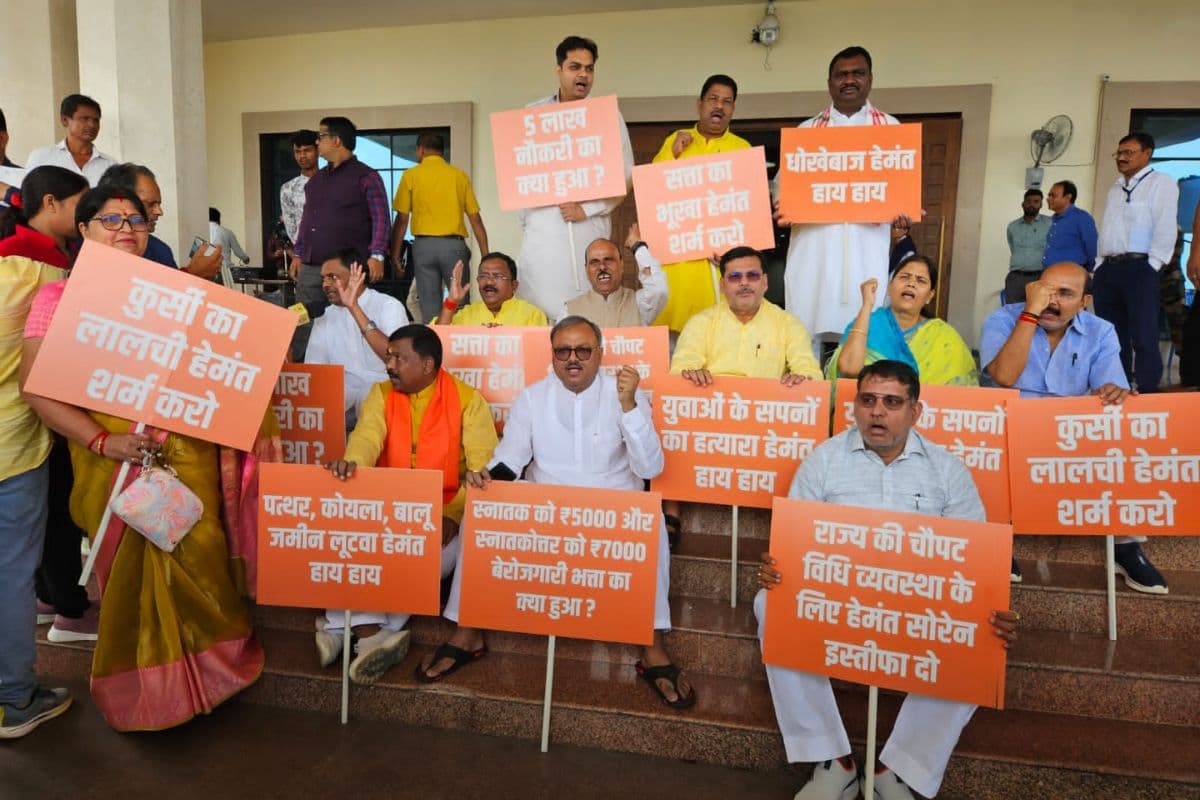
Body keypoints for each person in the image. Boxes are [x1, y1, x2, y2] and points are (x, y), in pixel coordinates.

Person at [19, 185, 266, 730]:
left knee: (200, 558)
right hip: (108, 462)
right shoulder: (56, 301)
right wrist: (105, 442)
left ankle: (215, 670)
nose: (127, 228)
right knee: (127, 579)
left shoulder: (177, 295)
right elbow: (38, 389)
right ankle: (150, 694)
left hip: (184, 456)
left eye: (136, 220)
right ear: (81, 230)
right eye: (110, 219)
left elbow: (221, 367)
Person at [755, 360, 1020, 800]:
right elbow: (794, 547)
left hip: (919, 606)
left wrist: (991, 605)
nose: (878, 412)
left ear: (915, 412)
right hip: (838, 598)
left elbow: (971, 563)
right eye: (868, 400)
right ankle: (831, 759)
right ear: (854, 407)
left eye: (892, 402)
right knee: (770, 603)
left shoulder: (947, 470)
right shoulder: (822, 462)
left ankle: (898, 769)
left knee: (985, 635)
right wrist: (777, 567)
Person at [431, 317, 696, 707]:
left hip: (610, 505)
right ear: (552, 355)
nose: (573, 359)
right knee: (481, 508)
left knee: (651, 523)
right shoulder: (533, 396)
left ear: (600, 354)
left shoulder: (626, 394)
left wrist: (628, 407)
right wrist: (488, 476)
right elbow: (512, 456)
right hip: (548, 505)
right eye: (563, 351)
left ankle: (651, 645)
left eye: (583, 350)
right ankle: (467, 631)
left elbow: (650, 469)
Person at [321, 324, 498, 685]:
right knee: (352, 538)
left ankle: (342, 625)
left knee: (421, 557)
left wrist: (450, 515)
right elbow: (366, 437)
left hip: (444, 514)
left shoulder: (468, 400)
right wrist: (352, 465)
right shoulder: (380, 393)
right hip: (387, 511)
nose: (389, 364)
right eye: (389, 356)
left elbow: (483, 470)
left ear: (428, 364)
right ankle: (371, 635)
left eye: (399, 357)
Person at [979, 261, 1168, 593]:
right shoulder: (1003, 319)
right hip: (1010, 429)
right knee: (983, 444)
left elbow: (1110, 389)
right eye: (1046, 290)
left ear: (1085, 302)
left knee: (1124, 433)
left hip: (1069, 434)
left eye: (1065, 294)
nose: (1052, 301)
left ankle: (1124, 544)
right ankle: (996, 539)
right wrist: (1029, 315)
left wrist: (1113, 390)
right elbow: (1005, 377)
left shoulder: (1100, 330)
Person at [0, 172, 85, 739]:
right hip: (15, 442)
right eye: (82, 211)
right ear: (49, 205)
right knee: (11, 573)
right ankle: (13, 699)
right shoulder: (49, 272)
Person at [666, 245, 821, 545]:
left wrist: (799, 378)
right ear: (723, 285)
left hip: (765, 427)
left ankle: (789, 532)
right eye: (735, 277)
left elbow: (811, 373)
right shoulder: (702, 322)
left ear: (765, 281)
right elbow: (680, 371)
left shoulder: (787, 323)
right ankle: (672, 514)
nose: (744, 283)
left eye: (752, 275)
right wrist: (691, 375)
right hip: (713, 422)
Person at [776, 46, 907, 351]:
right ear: (830, 82)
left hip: (866, 250)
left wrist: (903, 212)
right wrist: (786, 206)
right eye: (841, 75)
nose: (849, 80)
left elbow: (900, 190)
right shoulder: (806, 131)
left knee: (863, 340)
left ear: (870, 79)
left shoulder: (891, 130)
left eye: (857, 73)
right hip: (815, 252)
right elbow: (782, 190)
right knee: (806, 341)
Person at [517, 36, 634, 321]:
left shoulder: (607, 116)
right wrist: (529, 222)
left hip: (586, 231)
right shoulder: (533, 115)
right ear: (559, 70)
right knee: (540, 320)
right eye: (575, 67)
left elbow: (625, 175)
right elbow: (520, 177)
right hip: (541, 236)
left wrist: (587, 209)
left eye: (589, 68)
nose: (583, 74)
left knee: (588, 319)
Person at [650, 74, 750, 331]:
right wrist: (672, 154)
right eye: (713, 99)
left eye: (727, 102)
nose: (719, 106)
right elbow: (653, 194)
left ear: (733, 109)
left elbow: (749, 213)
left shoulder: (743, 150)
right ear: (699, 104)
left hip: (718, 269)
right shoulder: (675, 142)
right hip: (678, 269)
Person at [289, 117, 391, 357]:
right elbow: (307, 221)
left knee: (348, 319)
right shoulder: (315, 182)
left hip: (348, 268)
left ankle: (348, 371)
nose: (317, 142)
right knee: (303, 319)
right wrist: (298, 253)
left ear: (336, 140)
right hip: (312, 266)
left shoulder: (366, 177)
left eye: (320, 137)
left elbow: (381, 219)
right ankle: (304, 375)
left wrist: (377, 255)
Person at [1093, 132, 1181, 393]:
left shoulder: (1161, 183)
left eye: (1128, 152)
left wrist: (1152, 265)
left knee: (1143, 334)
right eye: (1119, 153)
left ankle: (1147, 391)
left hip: (1140, 268)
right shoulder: (1115, 187)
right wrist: (1098, 265)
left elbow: (1166, 226)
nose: (1121, 157)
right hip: (1108, 269)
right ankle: (1118, 385)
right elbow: (1107, 228)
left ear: (1147, 153)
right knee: (1110, 335)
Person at [826, 254, 978, 386]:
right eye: (904, 277)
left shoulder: (943, 337)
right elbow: (848, 369)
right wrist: (867, 305)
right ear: (890, 287)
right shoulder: (866, 322)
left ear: (930, 296)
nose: (911, 283)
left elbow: (958, 394)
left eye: (921, 280)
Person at [306, 247, 409, 431]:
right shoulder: (324, 315)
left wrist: (354, 308)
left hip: (383, 397)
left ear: (357, 275)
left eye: (333, 277)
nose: (325, 284)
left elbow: (398, 360)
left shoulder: (388, 306)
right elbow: (315, 372)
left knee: (367, 396)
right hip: (339, 405)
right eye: (324, 278)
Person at [390, 132, 489, 323]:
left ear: (420, 150)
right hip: (454, 247)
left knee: (429, 308)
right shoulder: (459, 176)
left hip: (423, 247)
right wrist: (485, 255)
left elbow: (402, 218)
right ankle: (460, 347)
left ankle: (434, 349)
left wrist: (395, 255)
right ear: (442, 152)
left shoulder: (411, 175)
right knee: (460, 304)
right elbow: (475, 218)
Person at [97, 162, 222, 277]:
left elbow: (171, 296)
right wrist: (193, 274)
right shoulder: (89, 250)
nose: (159, 212)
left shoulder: (160, 250)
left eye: (159, 204)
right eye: (150, 204)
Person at [561, 226, 667, 327]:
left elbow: (659, 289)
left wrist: (637, 247)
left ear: (621, 266)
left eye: (608, 260)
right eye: (594, 262)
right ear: (586, 270)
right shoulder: (569, 311)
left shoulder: (640, 304)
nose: (602, 267)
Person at [25, 94, 115, 186]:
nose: (92, 125)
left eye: (96, 120)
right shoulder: (41, 158)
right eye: (85, 119)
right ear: (65, 120)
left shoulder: (110, 165)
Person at [437, 252, 548, 326]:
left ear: (514, 285)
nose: (489, 282)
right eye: (483, 276)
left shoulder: (532, 316)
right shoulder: (467, 314)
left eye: (497, 276)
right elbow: (439, 340)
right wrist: (451, 302)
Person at [1004, 188, 1051, 304]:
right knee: (1013, 312)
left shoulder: (1050, 224)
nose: (1031, 205)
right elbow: (1013, 248)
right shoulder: (1013, 226)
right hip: (1016, 277)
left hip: (1040, 277)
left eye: (1036, 202)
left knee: (1040, 312)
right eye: (1028, 201)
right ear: (1023, 204)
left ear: (1041, 205)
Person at [1042, 180, 1097, 269]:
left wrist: (1089, 271)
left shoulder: (1082, 218)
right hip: (1050, 273)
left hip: (1071, 275)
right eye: (1049, 195)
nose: (1048, 198)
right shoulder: (1053, 219)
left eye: (1053, 195)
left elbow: (1092, 248)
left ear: (1068, 197)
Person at [280, 129, 319, 246]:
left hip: (334, 251)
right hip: (305, 253)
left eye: (307, 150)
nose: (302, 156)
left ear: (318, 150)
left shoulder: (332, 182)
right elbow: (290, 225)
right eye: (297, 151)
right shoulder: (288, 189)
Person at [208, 207, 250, 271]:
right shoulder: (227, 232)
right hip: (225, 270)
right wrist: (246, 259)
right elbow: (237, 250)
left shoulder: (201, 231)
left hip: (206, 270)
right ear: (218, 219)